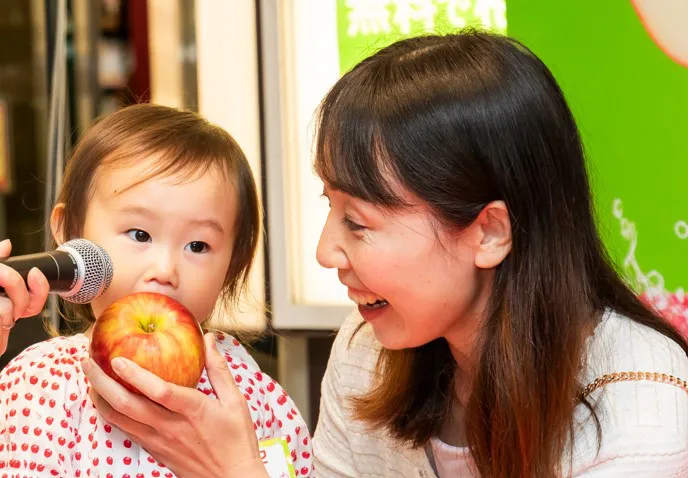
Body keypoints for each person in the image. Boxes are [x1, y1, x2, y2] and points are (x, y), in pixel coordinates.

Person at [20, 30, 688, 477]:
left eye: (359, 222)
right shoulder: (367, 353)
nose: (323, 251)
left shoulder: (640, 395)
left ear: (488, 233)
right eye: (329, 208)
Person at [0, 104, 313, 477]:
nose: (166, 271)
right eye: (140, 235)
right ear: (70, 232)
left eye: (198, 246)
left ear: (233, 262)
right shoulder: (40, 385)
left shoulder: (256, 398)